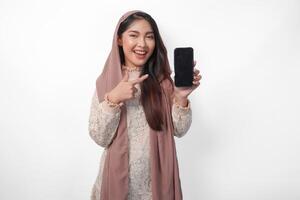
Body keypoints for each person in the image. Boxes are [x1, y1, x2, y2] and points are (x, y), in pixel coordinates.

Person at [88, 10, 202, 200]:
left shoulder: (162, 82)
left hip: (155, 187)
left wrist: (181, 97)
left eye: (149, 37)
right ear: (119, 40)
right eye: (134, 35)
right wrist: (114, 98)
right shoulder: (106, 82)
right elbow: (99, 137)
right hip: (116, 184)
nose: (142, 44)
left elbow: (179, 130)